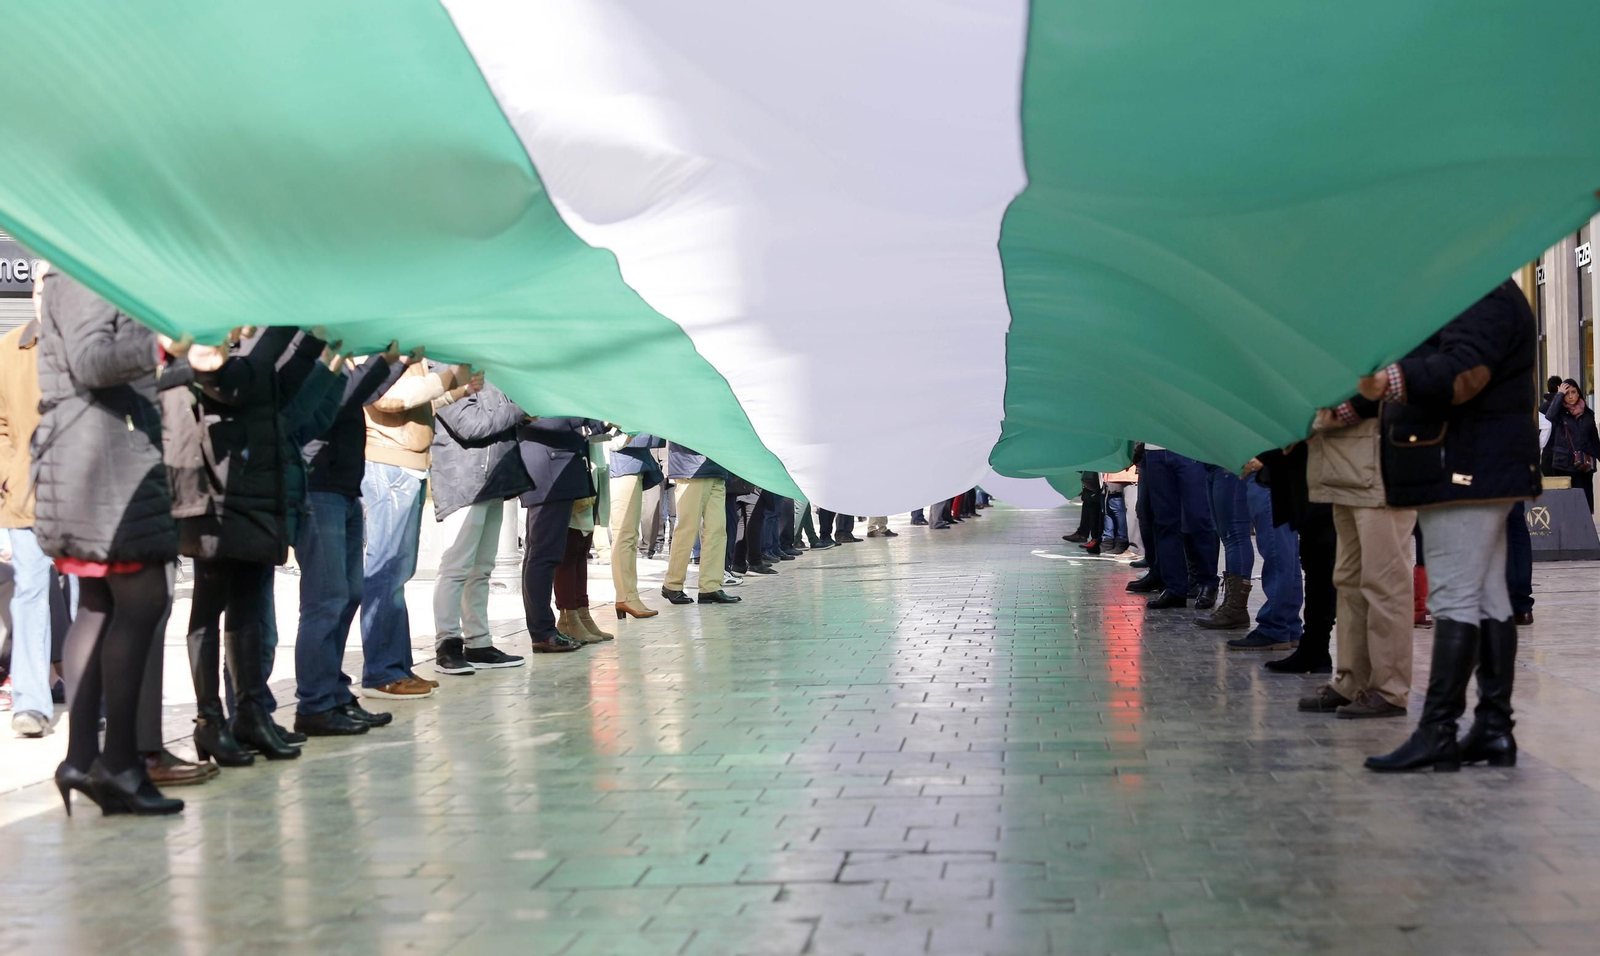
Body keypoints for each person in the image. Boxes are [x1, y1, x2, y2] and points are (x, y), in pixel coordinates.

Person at [1365, 280, 1540, 772]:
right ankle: (1493, 728)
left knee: (1455, 596)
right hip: (1472, 464)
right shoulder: (1480, 287)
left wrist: (1392, 377)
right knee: (1487, 597)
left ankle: (1438, 730)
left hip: (1464, 464)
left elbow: (1463, 370)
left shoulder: (1479, 289)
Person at [33, 271, 187, 815]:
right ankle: (117, 764)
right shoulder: (84, 271)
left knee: (101, 606)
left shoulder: (89, 268)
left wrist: (184, 358)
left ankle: (83, 759)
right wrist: (160, 343)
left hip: (102, 455)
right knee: (142, 601)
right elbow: (90, 361)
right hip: (99, 461)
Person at [165, 326, 328, 764]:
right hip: (217, 502)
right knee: (208, 612)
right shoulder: (205, 358)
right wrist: (288, 321)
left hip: (256, 499)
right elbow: (238, 383)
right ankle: (209, 721)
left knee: (248, 614)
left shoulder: (246, 360)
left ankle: (251, 714)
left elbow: (281, 390)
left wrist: (316, 340)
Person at [291, 346, 407, 737]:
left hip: (344, 488)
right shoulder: (308, 358)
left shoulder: (337, 362)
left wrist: (398, 363)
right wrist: (386, 362)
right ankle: (315, 703)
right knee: (324, 601)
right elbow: (343, 397)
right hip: (318, 487)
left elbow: (361, 392)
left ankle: (334, 693)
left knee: (349, 594)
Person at [360, 359, 477, 699]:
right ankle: (382, 673)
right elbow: (388, 398)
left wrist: (456, 390)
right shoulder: (381, 348)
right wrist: (448, 378)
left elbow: (416, 403)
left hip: (404, 463)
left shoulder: (404, 351)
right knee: (386, 573)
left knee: (396, 574)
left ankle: (396, 667)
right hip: (389, 462)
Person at [1296, 406, 1416, 720]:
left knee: (1385, 582)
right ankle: (1352, 681)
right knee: (1349, 581)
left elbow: (1395, 386)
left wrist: (1335, 410)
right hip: (1343, 462)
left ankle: (1389, 688)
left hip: (1379, 458)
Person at [429, 378, 531, 675]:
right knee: (456, 566)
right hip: (463, 481)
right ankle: (447, 644)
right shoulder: (448, 371)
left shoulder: (492, 374)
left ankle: (478, 642)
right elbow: (470, 424)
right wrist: (520, 408)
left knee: (482, 568)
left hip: (493, 479)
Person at [0, 297, 52, 738]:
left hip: (84, 494)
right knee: (30, 592)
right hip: (26, 492)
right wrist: (9, 473)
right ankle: (30, 704)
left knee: (87, 597)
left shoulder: (89, 343)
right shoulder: (8, 348)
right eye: (38, 287)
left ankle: (91, 695)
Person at [518, 417, 608, 647]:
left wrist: (600, 422)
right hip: (546, 471)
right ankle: (543, 631)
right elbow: (546, 419)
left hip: (559, 467)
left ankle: (548, 629)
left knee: (549, 554)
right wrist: (585, 416)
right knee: (543, 555)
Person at [661, 444, 740, 605]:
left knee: (717, 531)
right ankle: (672, 584)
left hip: (716, 467)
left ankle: (710, 586)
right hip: (691, 466)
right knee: (687, 529)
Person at [608, 433, 666, 621]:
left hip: (632, 457)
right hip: (621, 458)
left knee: (629, 535)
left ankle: (629, 596)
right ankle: (626, 596)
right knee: (624, 534)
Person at [1541, 377, 1598, 513]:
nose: (1571, 396)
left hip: (1584, 464)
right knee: (1565, 504)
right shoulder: (1559, 413)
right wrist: (1559, 394)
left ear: (1578, 393)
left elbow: (1594, 439)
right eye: (1567, 393)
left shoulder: (1588, 414)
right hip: (1563, 464)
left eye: (1573, 392)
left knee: (1584, 502)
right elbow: (1549, 416)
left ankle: (1584, 524)